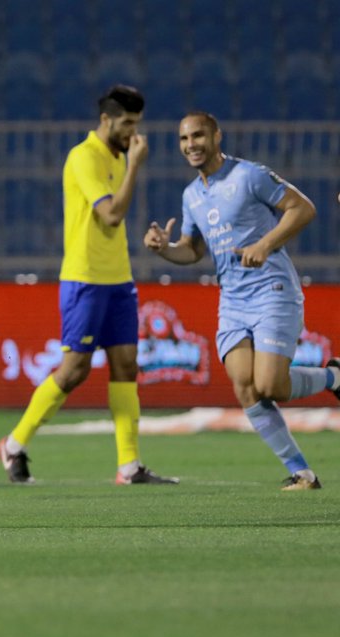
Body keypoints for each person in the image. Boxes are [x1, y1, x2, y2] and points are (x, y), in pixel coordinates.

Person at [0, 85, 178, 486]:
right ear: (106, 120)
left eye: (137, 124)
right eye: (127, 123)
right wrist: (134, 167)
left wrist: (128, 164)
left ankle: (129, 466)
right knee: (74, 370)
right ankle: (14, 444)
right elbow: (111, 215)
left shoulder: (114, 156)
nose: (132, 132)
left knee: (127, 365)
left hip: (119, 279)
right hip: (85, 279)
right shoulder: (84, 157)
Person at [144, 112, 336, 490]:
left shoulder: (250, 175)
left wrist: (265, 245)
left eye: (198, 135)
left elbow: (304, 208)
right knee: (245, 387)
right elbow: (193, 249)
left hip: (272, 291)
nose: (191, 145)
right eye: (184, 139)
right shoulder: (191, 195)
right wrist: (165, 249)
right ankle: (302, 473)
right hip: (232, 300)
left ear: (217, 136)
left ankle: (334, 376)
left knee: (271, 386)